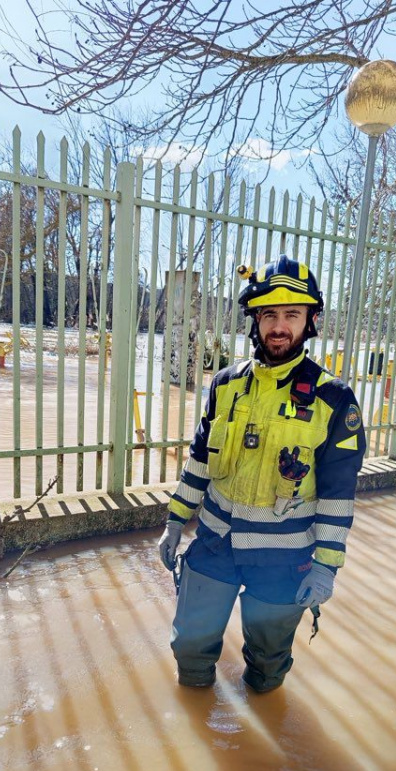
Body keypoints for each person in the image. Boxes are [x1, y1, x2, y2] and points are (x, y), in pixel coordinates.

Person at [158, 255, 366, 692]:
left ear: (310, 322)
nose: (279, 326)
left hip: (285, 560)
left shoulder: (335, 398)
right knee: (190, 649)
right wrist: (176, 521)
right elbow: (200, 458)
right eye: (269, 314)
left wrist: (326, 567)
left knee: (268, 671)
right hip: (214, 543)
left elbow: (337, 495)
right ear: (255, 321)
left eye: (292, 314)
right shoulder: (227, 384)